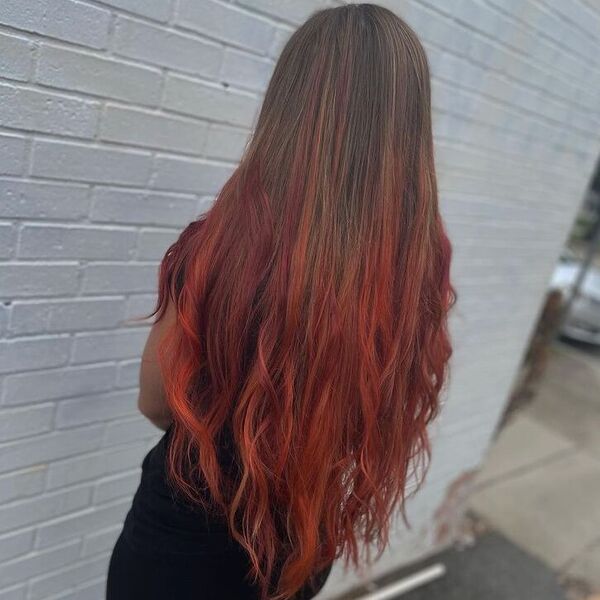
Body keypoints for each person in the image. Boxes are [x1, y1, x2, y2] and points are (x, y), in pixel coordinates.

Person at [106, 3, 455, 599]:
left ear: (289, 109)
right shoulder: (415, 268)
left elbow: (158, 401)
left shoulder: (219, 250)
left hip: (183, 539)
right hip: (300, 539)